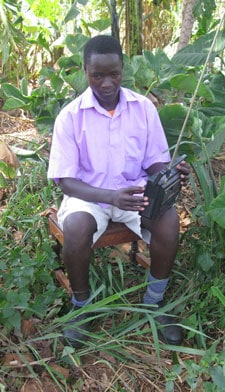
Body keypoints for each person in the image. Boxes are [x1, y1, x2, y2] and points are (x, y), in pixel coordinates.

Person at [48, 35, 190, 348]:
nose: (107, 83)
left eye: (114, 74)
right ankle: (82, 306)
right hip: (89, 195)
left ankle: (155, 301)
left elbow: (154, 162)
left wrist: (169, 174)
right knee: (75, 228)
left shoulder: (143, 109)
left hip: (135, 192)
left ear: (123, 69)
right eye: (97, 75)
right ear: (85, 71)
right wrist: (110, 197)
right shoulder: (70, 117)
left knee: (168, 222)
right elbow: (65, 180)